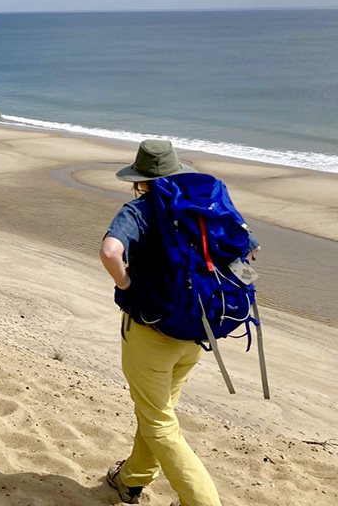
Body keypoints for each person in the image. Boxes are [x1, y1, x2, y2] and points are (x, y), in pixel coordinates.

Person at [100, 140, 257, 506]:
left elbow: (110, 251)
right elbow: (251, 250)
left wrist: (126, 284)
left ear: (140, 180)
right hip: (197, 331)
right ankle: (131, 480)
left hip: (150, 336)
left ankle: (202, 503)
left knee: (159, 423)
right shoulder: (202, 207)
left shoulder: (140, 209)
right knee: (157, 412)